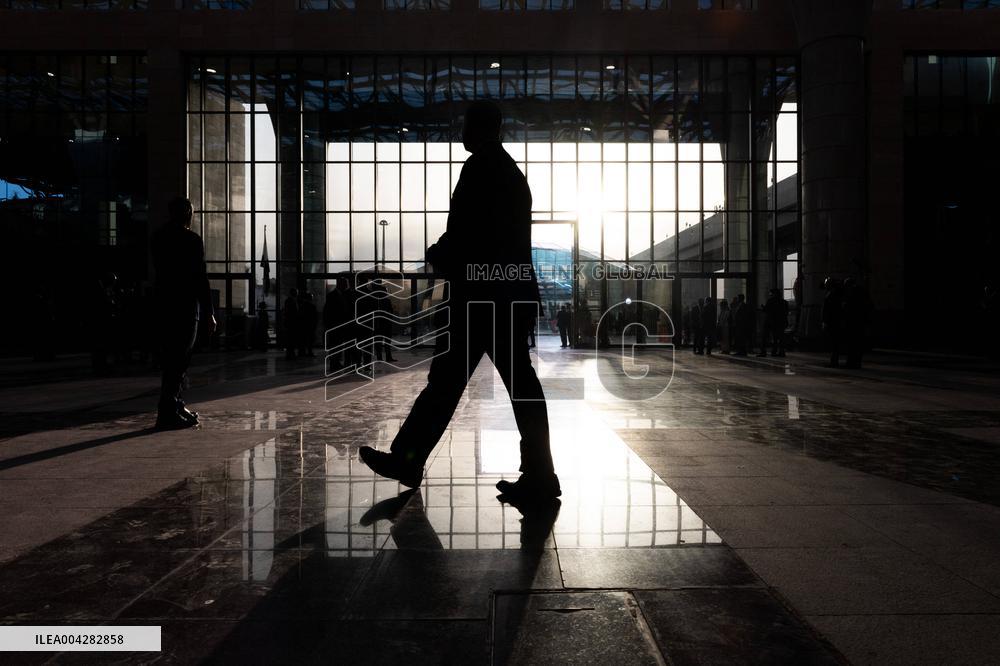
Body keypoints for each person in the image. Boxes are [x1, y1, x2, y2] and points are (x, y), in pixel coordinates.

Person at [359, 100, 559, 503]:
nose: (460, 132)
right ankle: (539, 473)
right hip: (503, 295)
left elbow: (470, 233)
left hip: (483, 298)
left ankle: (410, 459)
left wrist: (438, 253)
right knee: (509, 385)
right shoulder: (506, 170)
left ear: (480, 127)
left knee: (449, 384)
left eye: (465, 125)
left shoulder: (482, 167)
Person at [150, 197, 216, 429]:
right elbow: (200, 278)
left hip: (164, 305)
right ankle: (168, 410)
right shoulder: (191, 240)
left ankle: (174, 404)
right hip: (185, 307)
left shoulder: (158, 237)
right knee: (179, 361)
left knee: (171, 360)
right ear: (188, 212)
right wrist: (208, 312)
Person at [843, 278, 871, 369]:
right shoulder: (863, 293)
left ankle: (851, 362)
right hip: (860, 322)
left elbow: (848, 308)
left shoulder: (851, 294)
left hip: (852, 322)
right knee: (858, 344)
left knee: (851, 344)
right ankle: (857, 362)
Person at [822, 277, 844, 368]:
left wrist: (825, 321)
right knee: (835, 342)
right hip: (835, 321)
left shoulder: (832, 295)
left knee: (834, 342)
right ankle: (834, 360)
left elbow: (828, 310)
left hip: (832, 322)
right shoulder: (837, 295)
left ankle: (834, 361)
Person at [761, 288, 789, 357]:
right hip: (781, 322)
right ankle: (781, 352)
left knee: (767, 337)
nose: (770, 295)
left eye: (771, 293)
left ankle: (768, 351)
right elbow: (786, 312)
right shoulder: (784, 302)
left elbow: (767, 310)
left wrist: (763, 307)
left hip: (771, 321)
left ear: (773, 294)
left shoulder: (770, 301)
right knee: (780, 337)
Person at [298, 291, 318, 358]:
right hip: (310, 326)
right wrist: (314, 325)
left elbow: (300, 316)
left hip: (303, 326)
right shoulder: (312, 306)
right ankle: (310, 352)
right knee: (310, 340)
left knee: (304, 340)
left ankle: (302, 352)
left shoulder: (302, 306)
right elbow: (315, 317)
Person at [283, 288, 299, 360]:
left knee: (290, 339)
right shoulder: (291, 301)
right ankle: (290, 354)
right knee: (291, 339)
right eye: (296, 292)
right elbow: (291, 312)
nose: (297, 293)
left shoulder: (289, 300)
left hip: (290, 322)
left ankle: (290, 354)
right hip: (291, 323)